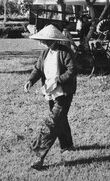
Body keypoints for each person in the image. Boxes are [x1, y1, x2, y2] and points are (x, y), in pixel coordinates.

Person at [23, 24, 77, 170]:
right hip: (51, 93)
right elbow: (38, 69)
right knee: (60, 119)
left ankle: (38, 156)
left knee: (51, 123)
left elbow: (72, 70)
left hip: (63, 93)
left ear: (52, 39)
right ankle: (67, 145)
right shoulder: (45, 53)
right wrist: (30, 80)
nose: (42, 42)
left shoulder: (65, 52)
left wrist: (57, 80)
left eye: (45, 40)